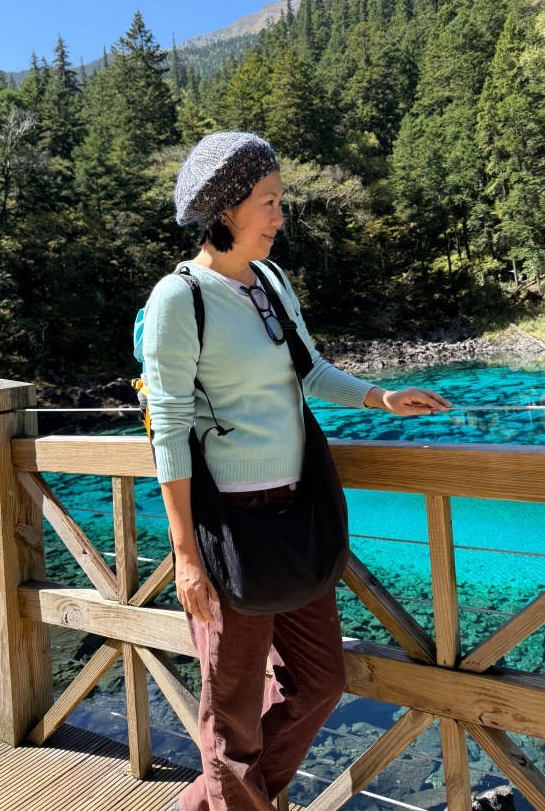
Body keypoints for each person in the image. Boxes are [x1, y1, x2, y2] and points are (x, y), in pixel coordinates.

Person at [140, 131, 452, 811]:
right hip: (228, 528)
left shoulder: (273, 282)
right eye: (269, 201)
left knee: (319, 683)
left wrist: (381, 398)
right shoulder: (180, 297)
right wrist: (186, 556)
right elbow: (167, 430)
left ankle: (208, 803)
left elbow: (309, 371)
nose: (280, 217)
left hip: (297, 515)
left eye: (280, 201)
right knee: (231, 719)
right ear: (225, 207)